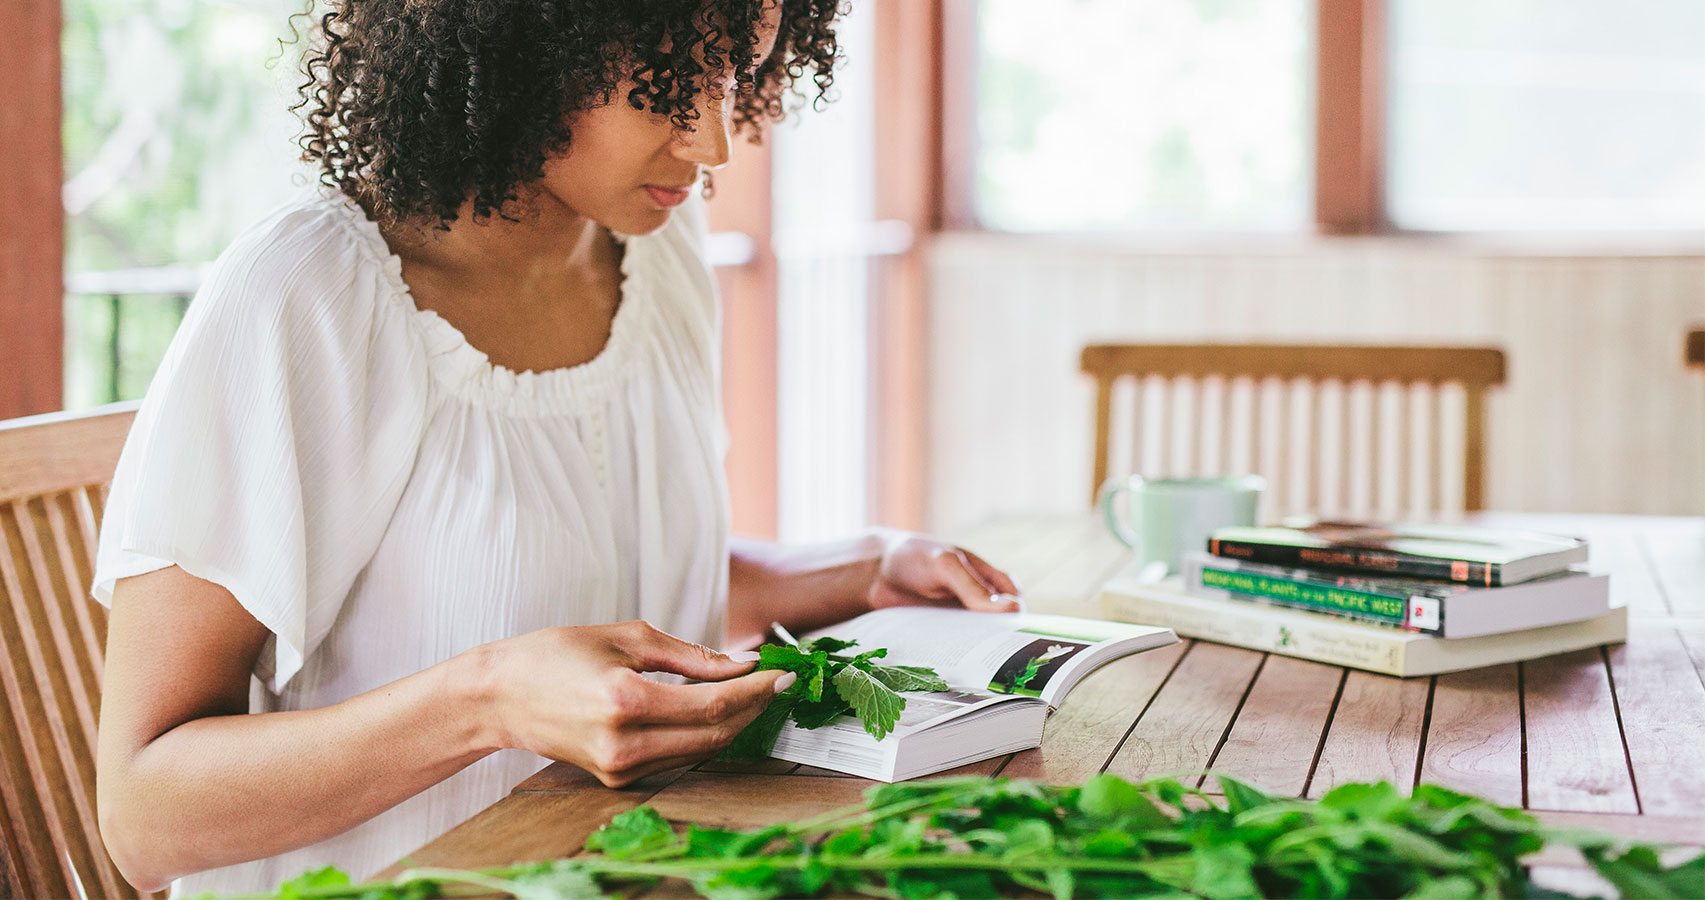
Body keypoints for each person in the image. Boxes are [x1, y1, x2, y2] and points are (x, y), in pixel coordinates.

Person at [89, 0, 1021, 895]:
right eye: (666, 82)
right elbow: (143, 820)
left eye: (732, 74)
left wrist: (855, 569)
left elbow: (591, 579)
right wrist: (485, 704)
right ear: (524, 41)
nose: (713, 143)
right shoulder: (305, 297)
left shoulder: (655, 250)